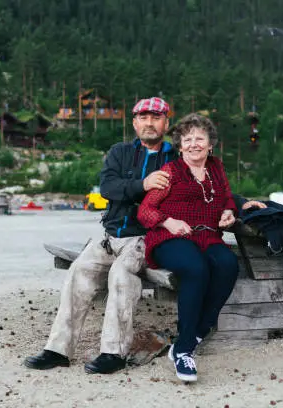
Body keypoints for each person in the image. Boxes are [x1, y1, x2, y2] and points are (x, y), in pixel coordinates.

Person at [23, 97, 176, 374]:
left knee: (121, 275)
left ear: (166, 122)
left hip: (145, 239)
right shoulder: (119, 152)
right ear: (134, 122)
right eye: (143, 117)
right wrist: (144, 184)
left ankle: (113, 354)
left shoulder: (175, 158)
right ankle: (58, 350)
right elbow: (107, 188)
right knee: (78, 271)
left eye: (156, 117)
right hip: (111, 236)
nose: (149, 123)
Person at [137, 113, 255, 382]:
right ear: (179, 146)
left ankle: (194, 334)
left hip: (208, 237)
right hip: (169, 238)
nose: (193, 144)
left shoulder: (216, 168)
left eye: (199, 138)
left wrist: (229, 212)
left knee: (228, 265)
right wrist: (168, 221)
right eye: (187, 139)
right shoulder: (170, 172)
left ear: (210, 144)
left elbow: (226, 197)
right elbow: (145, 211)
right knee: (196, 269)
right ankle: (185, 350)